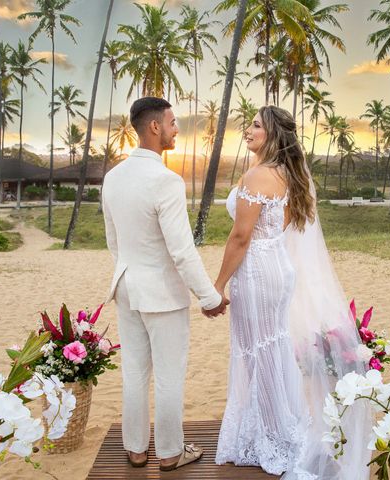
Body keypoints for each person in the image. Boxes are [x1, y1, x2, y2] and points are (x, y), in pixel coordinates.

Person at [214, 105, 372, 479]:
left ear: (273, 134)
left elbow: (240, 237)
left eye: (256, 125)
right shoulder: (288, 174)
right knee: (268, 348)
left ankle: (277, 437)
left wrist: (217, 284)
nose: (248, 130)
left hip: (257, 270)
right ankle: (272, 428)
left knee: (260, 351)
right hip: (276, 267)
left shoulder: (257, 176)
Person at [102, 97, 230, 472]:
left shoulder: (113, 177)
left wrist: (129, 271)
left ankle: (136, 449)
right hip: (161, 293)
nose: (176, 129)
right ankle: (171, 453)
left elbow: (114, 241)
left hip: (126, 286)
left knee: (135, 371)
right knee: (169, 376)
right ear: (155, 127)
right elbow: (182, 252)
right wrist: (209, 297)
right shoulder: (166, 180)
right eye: (173, 123)